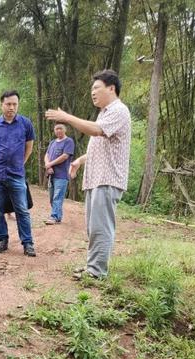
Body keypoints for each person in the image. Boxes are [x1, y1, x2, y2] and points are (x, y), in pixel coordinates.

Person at [45, 69, 131, 280]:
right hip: (96, 179)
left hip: (107, 179)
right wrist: (79, 160)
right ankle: (93, 267)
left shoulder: (118, 110)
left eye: (96, 88)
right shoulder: (105, 113)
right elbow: (100, 146)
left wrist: (66, 117)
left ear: (111, 88)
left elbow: (96, 131)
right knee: (93, 228)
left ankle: (97, 272)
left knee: (100, 227)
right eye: (92, 89)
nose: (92, 92)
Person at [0, 90, 36, 257]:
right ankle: (2, 240)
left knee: (22, 209)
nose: (11, 107)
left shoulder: (26, 124)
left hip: (16, 174)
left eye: (14, 104)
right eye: (8, 104)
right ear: (2, 104)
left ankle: (27, 243)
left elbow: (29, 146)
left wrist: (20, 162)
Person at [44, 124, 75, 224]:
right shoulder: (53, 142)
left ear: (65, 130)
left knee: (57, 197)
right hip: (51, 175)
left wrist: (50, 164)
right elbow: (47, 155)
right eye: (56, 129)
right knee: (52, 198)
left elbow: (65, 156)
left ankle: (54, 217)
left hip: (61, 175)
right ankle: (58, 217)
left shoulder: (68, 141)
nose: (58, 131)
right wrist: (48, 166)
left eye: (60, 128)